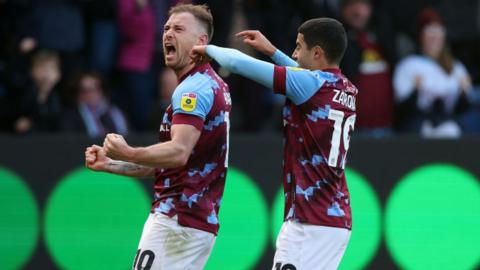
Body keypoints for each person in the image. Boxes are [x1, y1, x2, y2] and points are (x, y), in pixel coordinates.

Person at [192, 17, 355, 270]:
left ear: (317, 52)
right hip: (335, 219)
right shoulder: (346, 88)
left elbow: (237, 63)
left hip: (309, 222)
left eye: (299, 47)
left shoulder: (309, 85)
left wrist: (205, 48)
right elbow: (306, 78)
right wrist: (272, 52)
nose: (294, 53)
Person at [85, 4, 231, 269]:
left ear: (201, 41)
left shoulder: (193, 89)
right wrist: (110, 164)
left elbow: (178, 152)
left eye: (178, 29)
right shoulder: (208, 82)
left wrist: (127, 151)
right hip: (190, 219)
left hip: (177, 218)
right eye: (166, 28)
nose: (168, 34)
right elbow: (172, 164)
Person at [393, 8, 474, 137]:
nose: (434, 39)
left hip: (449, 126)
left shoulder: (456, 67)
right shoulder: (409, 65)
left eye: (438, 34)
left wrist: (463, 94)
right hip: (418, 129)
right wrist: (416, 91)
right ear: (421, 36)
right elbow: (401, 112)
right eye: (430, 34)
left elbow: (462, 109)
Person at [340, 0, 394, 137]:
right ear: (343, 10)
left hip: (387, 127)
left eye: (362, 5)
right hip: (351, 129)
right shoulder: (337, 42)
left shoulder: (383, 37)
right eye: (352, 5)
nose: (357, 12)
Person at [60, 71, 129, 138]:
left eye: (96, 88)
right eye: (85, 91)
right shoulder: (69, 117)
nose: (92, 94)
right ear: (77, 94)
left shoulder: (116, 112)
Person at [13, 49, 62, 134]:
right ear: (32, 71)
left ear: (58, 74)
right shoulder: (19, 95)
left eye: (51, 68)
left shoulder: (64, 97)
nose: (46, 73)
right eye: (41, 68)